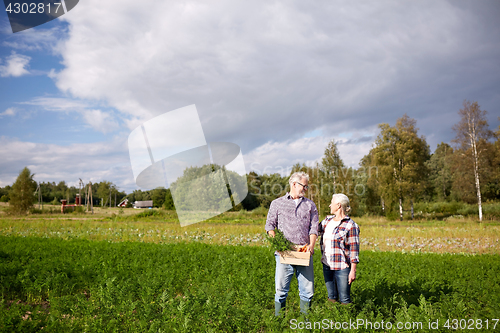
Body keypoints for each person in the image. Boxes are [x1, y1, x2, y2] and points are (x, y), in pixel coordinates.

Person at [265, 171, 319, 316]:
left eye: (307, 187)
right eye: (304, 186)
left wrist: (311, 246)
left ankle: (305, 324)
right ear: (294, 184)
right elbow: (269, 226)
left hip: (304, 253)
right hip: (284, 254)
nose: (306, 189)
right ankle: (279, 323)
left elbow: (314, 228)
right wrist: (279, 245)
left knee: (307, 291)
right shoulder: (277, 203)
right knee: (281, 291)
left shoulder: (310, 205)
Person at [319, 193, 360, 304]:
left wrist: (353, 271)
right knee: (331, 297)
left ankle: (346, 320)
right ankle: (333, 320)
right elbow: (313, 232)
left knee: (345, 299)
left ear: (338, 206)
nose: (329, 206)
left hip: (343, 267)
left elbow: (354, 250)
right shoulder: (326, 221)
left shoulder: (351, 225)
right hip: (327, 265)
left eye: (331, 203)